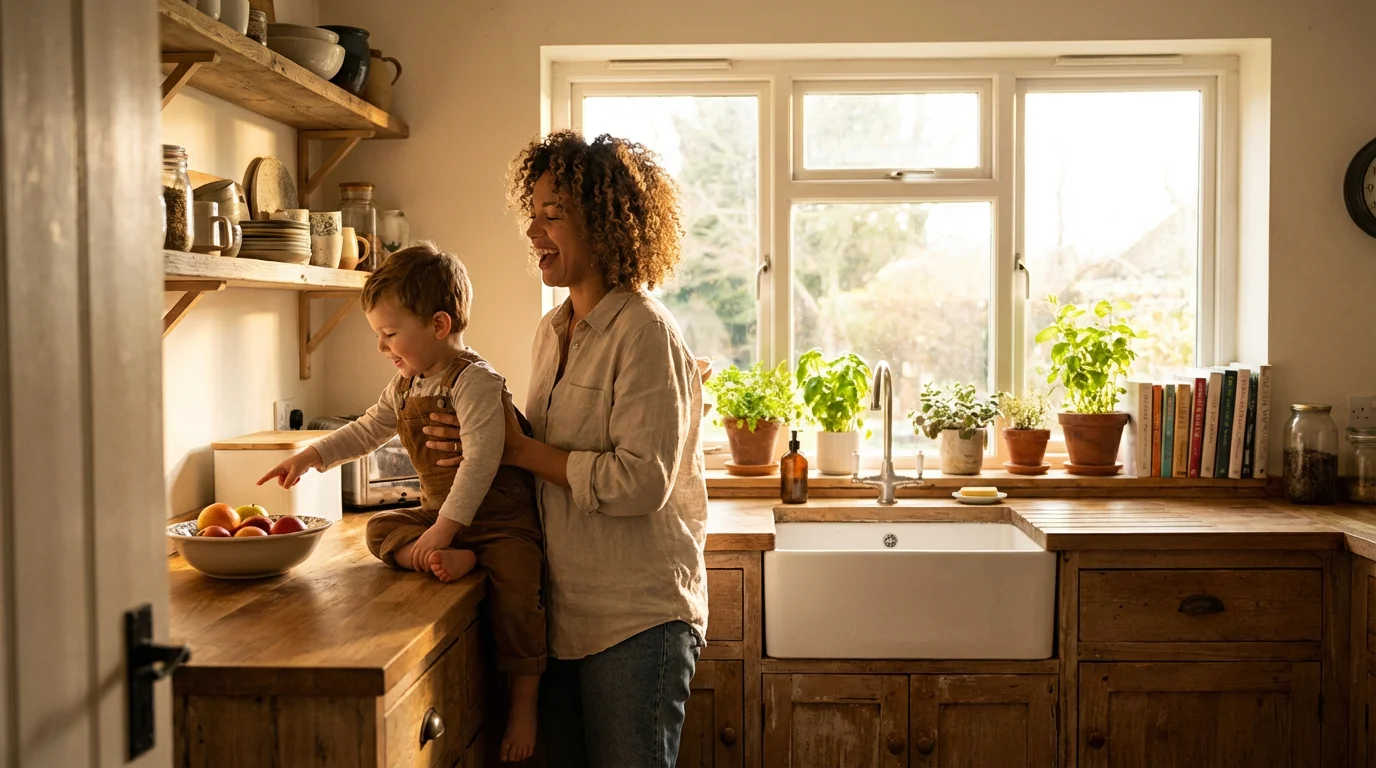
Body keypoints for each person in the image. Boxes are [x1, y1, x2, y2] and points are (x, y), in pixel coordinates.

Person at [423, 131, 709, 766]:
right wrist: (481, 439)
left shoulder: (645, 332)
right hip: (568, 610)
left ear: (607, 226)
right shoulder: (552, 331)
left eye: (553, 215)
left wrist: (516, 450)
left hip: (637, 619)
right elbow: (547, 447)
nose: (533, 234)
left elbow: (640, 482)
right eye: (533, 214)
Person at [256, 243, 544, 763]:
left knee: (520, 601)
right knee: (377, 530)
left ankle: (524, 704)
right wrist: (311, 455)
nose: (382, 347)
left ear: (438, 325)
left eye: (390, 334)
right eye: (378, 336)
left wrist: (442, 530)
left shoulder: (475, 380)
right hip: (441, 516)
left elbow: (480, 462)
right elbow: (367, 431)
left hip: (499, 521)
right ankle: (445, 557)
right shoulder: (405, 383)